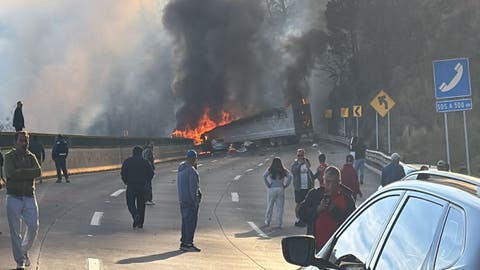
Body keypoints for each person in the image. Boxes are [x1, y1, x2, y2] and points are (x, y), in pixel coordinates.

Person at [4, 131, 42, 269]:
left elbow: (38, 171)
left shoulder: (31, 157)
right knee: (15, 231)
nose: (24, 143)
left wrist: (20, 172)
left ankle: (23, 250)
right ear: (15, 142)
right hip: (13, 197)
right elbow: (10, 173)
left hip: (29, 196)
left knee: (33, 226)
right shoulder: (9, 157)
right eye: (21, 140)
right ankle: (19, 261)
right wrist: (26, 173)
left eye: (26, 140)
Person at [298, 166, 356, 250]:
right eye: (328, 182)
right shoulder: (314, 194)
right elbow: (301, 214)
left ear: (339, 182)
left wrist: (333, 210)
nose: (331, 186)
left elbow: (352, 223)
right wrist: (317, 209)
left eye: (335, 182)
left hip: (338, 249)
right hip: (316, 248)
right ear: (324, 181)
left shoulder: (347, 198)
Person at [121, 146, 154, 229]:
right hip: (142, 186)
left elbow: (123, 173)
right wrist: (146, 181)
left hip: (131, 185)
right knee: (141, 205)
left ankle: (135, 215)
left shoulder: (127, 161)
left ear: (133, 153)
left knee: (130, 203)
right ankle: (140, 223)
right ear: (141, 153)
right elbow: (151, 173)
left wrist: (126, 181)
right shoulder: (145, 162)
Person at [177, 150, 202, 252]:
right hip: (190, 201)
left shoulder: (181, 169)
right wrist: (196, 200)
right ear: (193, 158)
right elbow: (193, 189)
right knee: (191, 223)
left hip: (182, 199)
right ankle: (188, 243)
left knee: (185, 222)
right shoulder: (192, 171)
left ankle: (184, 241)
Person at [263, 157, 292, 228]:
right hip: (280, 188)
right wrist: (286, 185)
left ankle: (267, 221)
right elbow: (290, 176)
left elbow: (264, 176)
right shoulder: (283, 170)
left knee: (270, 205)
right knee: (280, 207)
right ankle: (279, 223)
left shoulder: (270, 169)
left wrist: (268, 184)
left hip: (272, 188)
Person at [291, 148, 314, 227]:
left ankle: (305, 218)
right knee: (298, 204)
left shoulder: (306, 161)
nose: (300, 157)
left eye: (301, 155)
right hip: (299, 187)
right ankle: (297, 218)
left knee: (307, 204)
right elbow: (294, 171)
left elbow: (309, 168)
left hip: (307, 186)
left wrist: (305, 162)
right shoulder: (295, 163)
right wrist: (300, 164)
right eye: (298, 155)